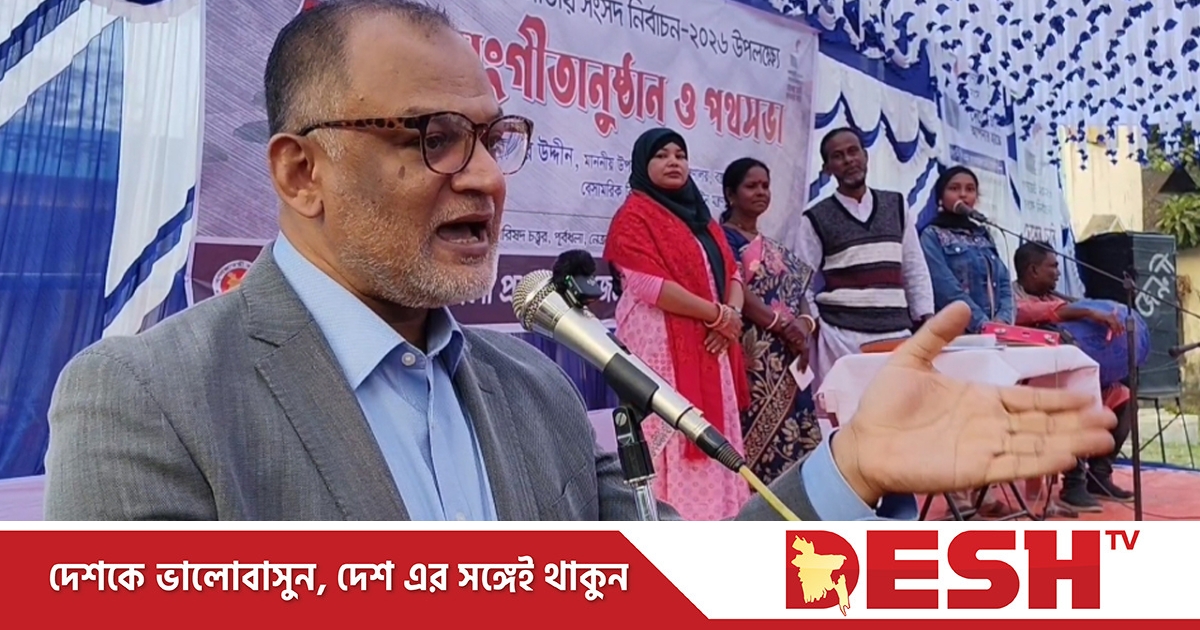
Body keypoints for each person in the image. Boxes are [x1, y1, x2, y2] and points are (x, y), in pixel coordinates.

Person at [42, 0, 1117, 521]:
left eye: (494, 137)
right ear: (299, 171)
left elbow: (673, 590)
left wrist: (851, 470)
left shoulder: (538, 395)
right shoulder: (149, 398)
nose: (484, 177)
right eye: (434, 137)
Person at [602, 128, 753, 520]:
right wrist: (717, 315)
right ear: (642, 164)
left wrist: (731, 315)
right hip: (661, 350)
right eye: (662, 155)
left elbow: (733, 273)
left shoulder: (703, 220)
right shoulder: (633, 217)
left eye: (680, 155)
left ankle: (721, 521)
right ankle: (675, 525)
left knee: (713, 434)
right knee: (670, 432)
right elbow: (648, 285)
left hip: (713, 344)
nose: (673, 162)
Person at [791, 127, 935, 387]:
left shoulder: (896, 205)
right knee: (845, 410)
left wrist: (926, 318)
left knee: (898, 407)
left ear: (865, 156)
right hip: (841, 339)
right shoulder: (815, 217)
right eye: (838, 156)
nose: (848, 160)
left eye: (853, 151)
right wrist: (817, 325)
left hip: (897, 335)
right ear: (827, 168)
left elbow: (914, 268)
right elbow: (800, 281)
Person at [719, 158, 822, 486]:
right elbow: (737, 290)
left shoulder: (774, 247)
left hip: (789, 359)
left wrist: (803, 326)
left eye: (765, 186)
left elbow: (800, 295)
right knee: (753, 440)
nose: (761, 192)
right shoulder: (723, 241)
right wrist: (782, 325)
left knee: (797, 438)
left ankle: (797, 506)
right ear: (730, 195)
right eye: (751, 186)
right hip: (752, 358)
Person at [1012, 241, 1135, 512]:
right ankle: (1073, 485)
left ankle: (1098, 477)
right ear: (1033, 270)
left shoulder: (1056, 297)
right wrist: (1088, 311)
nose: (1058, 272)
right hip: (1030, 389)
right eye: (1053, 266)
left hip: (1068, 381)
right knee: (1076, 397)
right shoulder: (1010, 298)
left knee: (1125, 396)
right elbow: (1031, 313)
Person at [920, 165, 1014, 333]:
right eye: (954, 188)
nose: (963, 194)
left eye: (970, 189)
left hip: (995, 333)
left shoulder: (983, 234)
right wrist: (982, 324)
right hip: (957, 333)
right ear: (940, 197)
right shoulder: (932, 235)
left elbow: (1004, 283)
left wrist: (1003, 320)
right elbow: (945, 289)